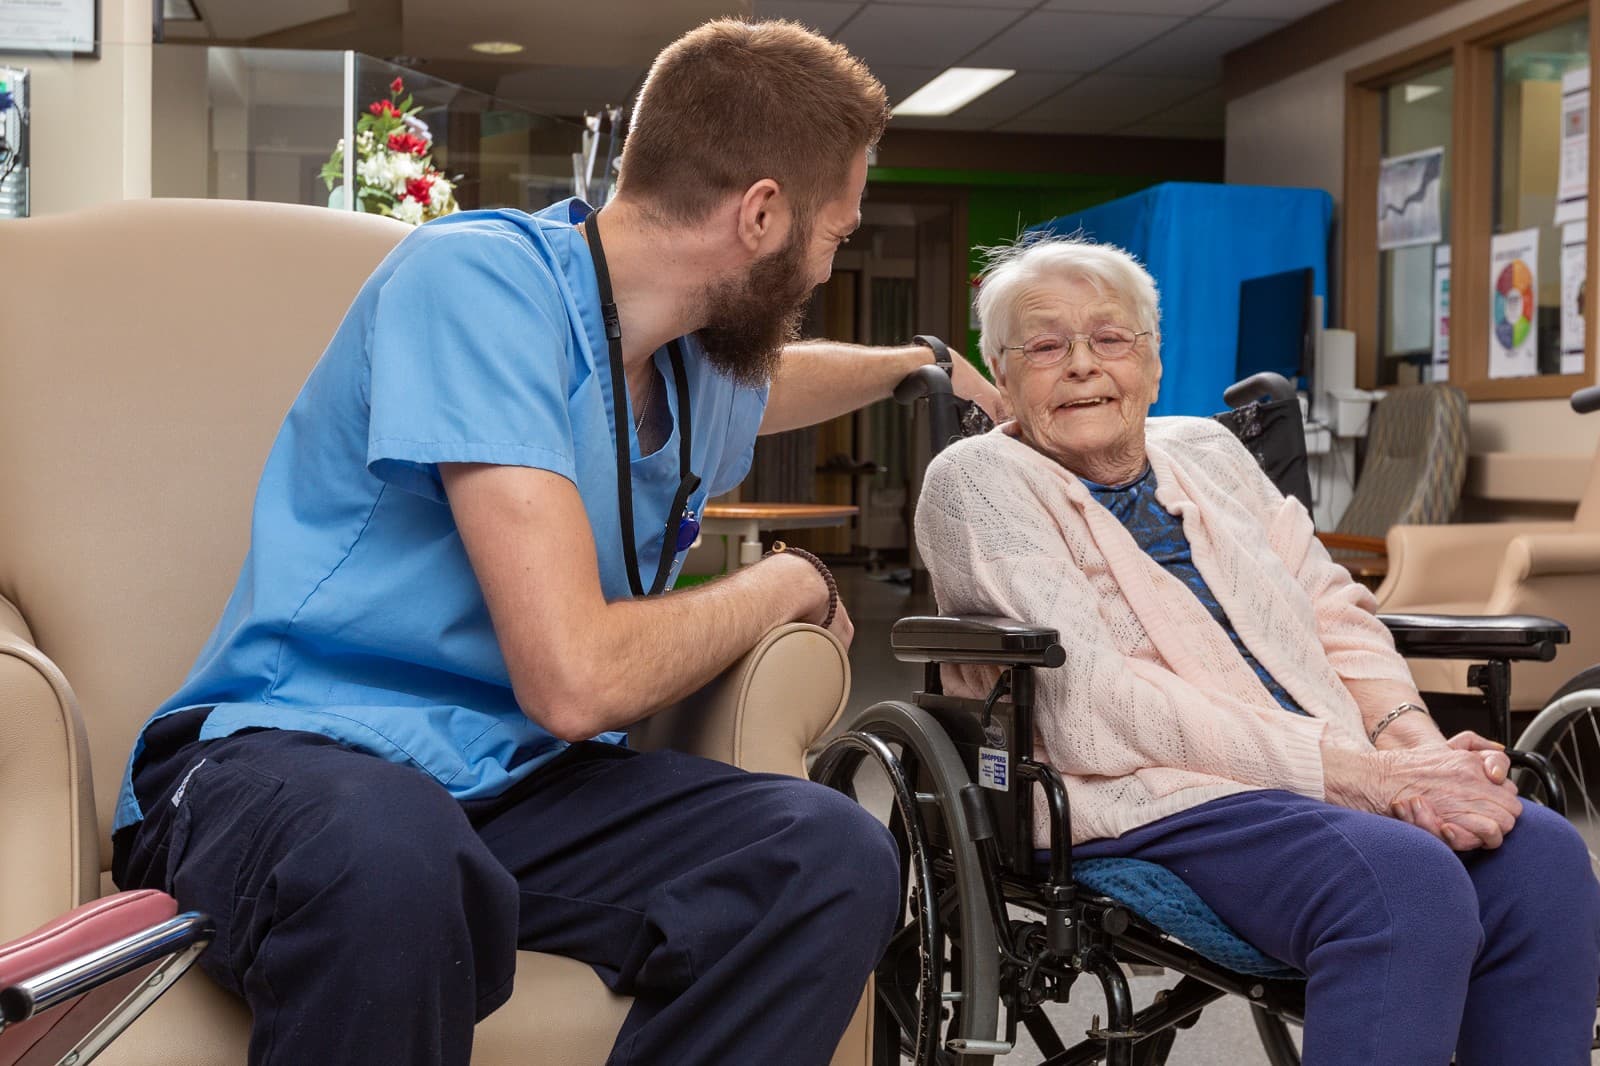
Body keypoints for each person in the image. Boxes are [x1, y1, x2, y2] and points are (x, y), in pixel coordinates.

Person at [109, 19, 1001, 1066]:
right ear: (760, 214)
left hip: (518, 786)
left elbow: (774, 389)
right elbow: (572, 683)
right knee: (391, 853)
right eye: (833, 235)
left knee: (831, 851)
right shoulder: (476, 283)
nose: (822, 268)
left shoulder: (691, 362)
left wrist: (916, 365)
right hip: (299, 765)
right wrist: (782, 586)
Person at [915, 234, 1600, 1066]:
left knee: (1543, 856)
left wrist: (1415, 748)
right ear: (1006, 380)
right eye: (1048, 345)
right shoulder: (977, 479)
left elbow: (1333, 606)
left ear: (1154, 364)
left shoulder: (1206, 450)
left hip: (1335, 766)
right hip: (1154, 794)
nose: (1084, 365)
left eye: (1110, 338)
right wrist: (1368, 778)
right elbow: (1094, 706)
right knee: (1403, 889)